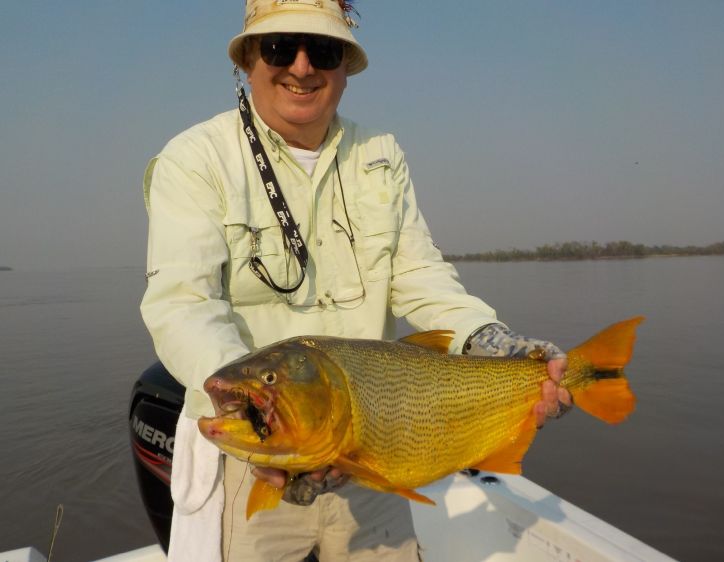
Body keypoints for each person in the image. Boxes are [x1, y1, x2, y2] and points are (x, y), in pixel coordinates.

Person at [140, 1, 572, 561]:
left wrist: (487, 337)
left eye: (322, 49)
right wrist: (266, 422)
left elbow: (418, 274)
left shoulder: (380, 154)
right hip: (256, 465)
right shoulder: (195, 159)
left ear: (345, 67)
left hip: (378, 446)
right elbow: (183, 305)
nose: (301, 67)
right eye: (279, 47)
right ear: (248, 59)